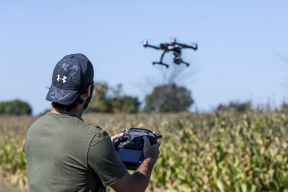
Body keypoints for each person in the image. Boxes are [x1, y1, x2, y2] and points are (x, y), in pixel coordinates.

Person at [24, 53, 160, 192]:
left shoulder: (34, 129)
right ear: (89, 90)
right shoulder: (94, 139)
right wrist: (149, 159)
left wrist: (102, 150)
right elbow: (132, 189)